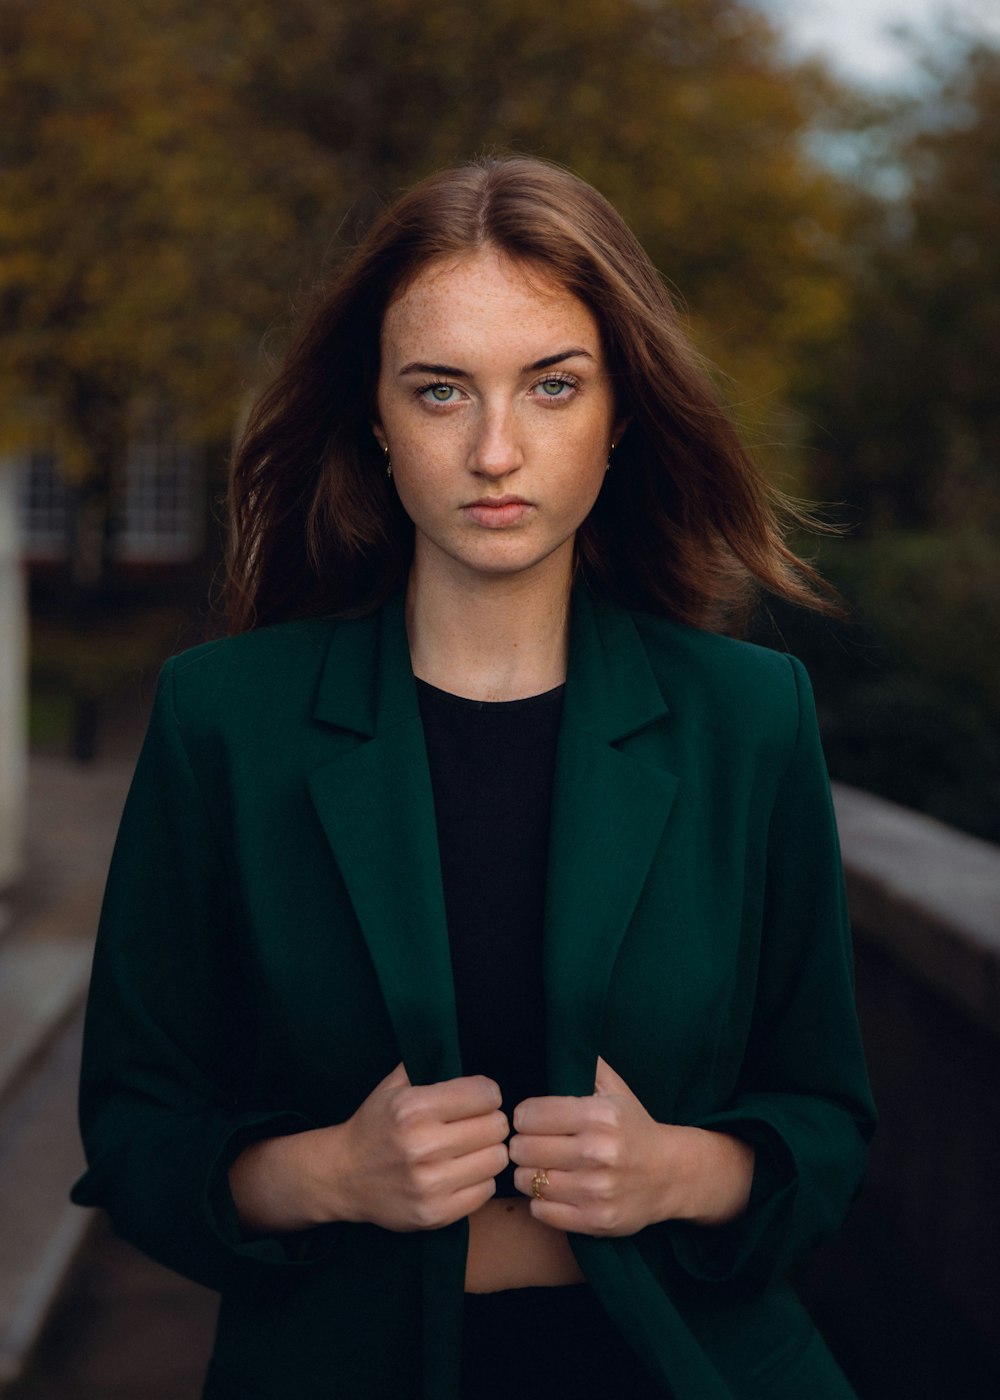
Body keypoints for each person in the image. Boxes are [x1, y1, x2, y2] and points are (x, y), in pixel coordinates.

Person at [72, 154, 876, 1400]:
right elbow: (135, 1128)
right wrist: (328, 1171)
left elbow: (825, 1118)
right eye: (441, 391)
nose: (496, 448)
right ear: (377, 424)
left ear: (619, 416)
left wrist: (679, 1169)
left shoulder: (746, 716)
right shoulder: (224, 719)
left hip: (684, 1366)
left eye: (551, 386)